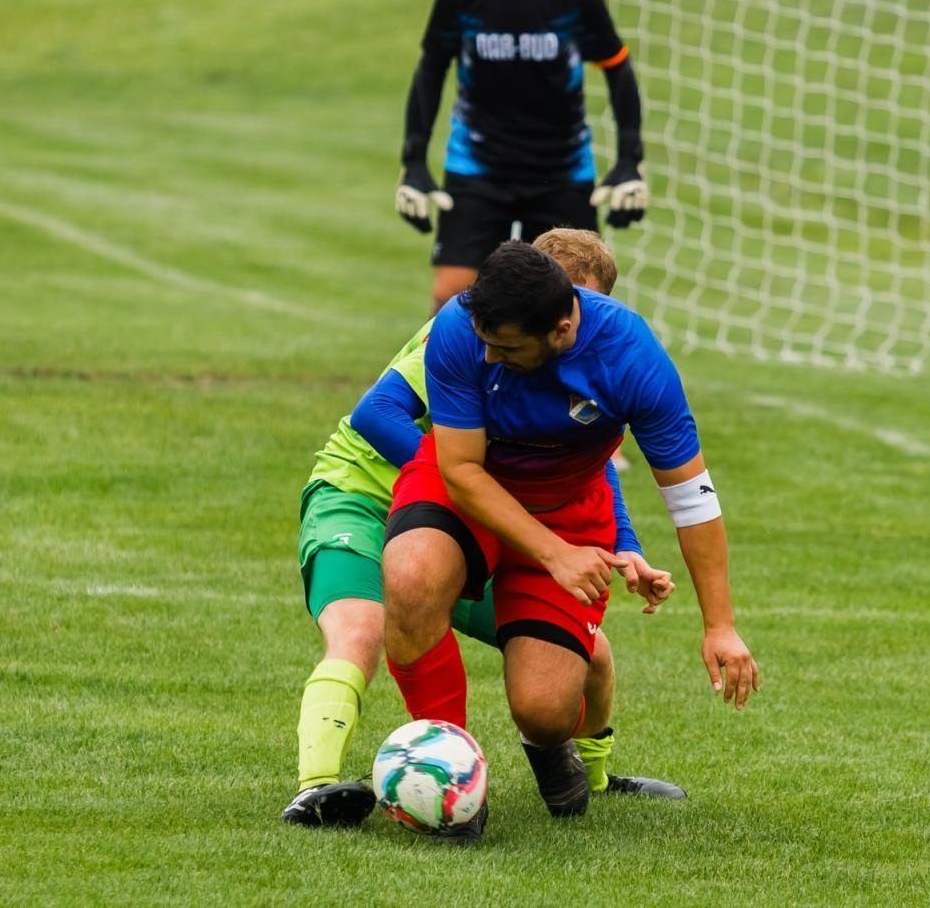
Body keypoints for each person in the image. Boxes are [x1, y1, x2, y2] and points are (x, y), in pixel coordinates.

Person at [284, 230, 683, 830]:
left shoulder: (573, 347)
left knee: (589, 653)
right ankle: (317, 788)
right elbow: (376, 413)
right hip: (362, 495)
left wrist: (624, 545)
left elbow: (582, 456)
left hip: (476, 515)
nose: (579, 328)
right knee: (364, 627)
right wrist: (480, 482)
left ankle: (592, 776)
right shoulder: (474, 336)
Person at [382, 240, 759, 838]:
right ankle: (451, 776)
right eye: (485, 341)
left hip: (568, 513)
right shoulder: (460, 326)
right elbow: (460, 470)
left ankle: (554, 738)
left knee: (545, 712)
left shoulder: (631, 356)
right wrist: (554, 554)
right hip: (467, 489)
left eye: (506, 348)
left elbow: (691, 497)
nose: (488, 356)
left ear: (561, 330)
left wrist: (720, 625)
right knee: (410, 576)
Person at [393, 0, 650, 312]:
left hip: (561, 170)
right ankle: (460, 363)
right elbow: (431, 69)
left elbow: (617, 66)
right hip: (477, 167)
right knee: (451, 298)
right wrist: (413, 162)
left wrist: (630, 161)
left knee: (577, 303)